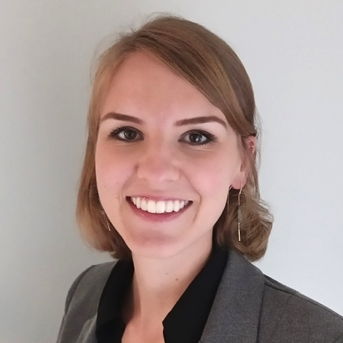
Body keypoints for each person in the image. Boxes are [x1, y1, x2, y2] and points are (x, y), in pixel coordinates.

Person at [56, 15, 343, 343]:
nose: (156, 171)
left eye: (196, 137)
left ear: (243, 161)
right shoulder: (85, 295)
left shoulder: (323, 337)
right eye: (127, 132)